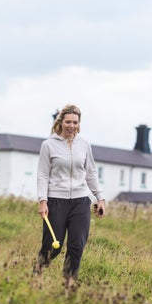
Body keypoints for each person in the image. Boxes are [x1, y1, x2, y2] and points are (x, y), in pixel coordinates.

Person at [34, 104, 106, 291]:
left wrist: (100, 198)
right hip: (56, 200)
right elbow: (42, 174)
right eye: (68, 122)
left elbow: (91, 172)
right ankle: (38, 271)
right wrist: (43, 200)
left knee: (77, 246)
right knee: (53, 245)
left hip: (80, 201)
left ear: (79, 123)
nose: (71, 126)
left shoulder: (84, 144)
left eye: (75, 122)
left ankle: (69, 285)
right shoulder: (48, 145)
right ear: (61, 122)